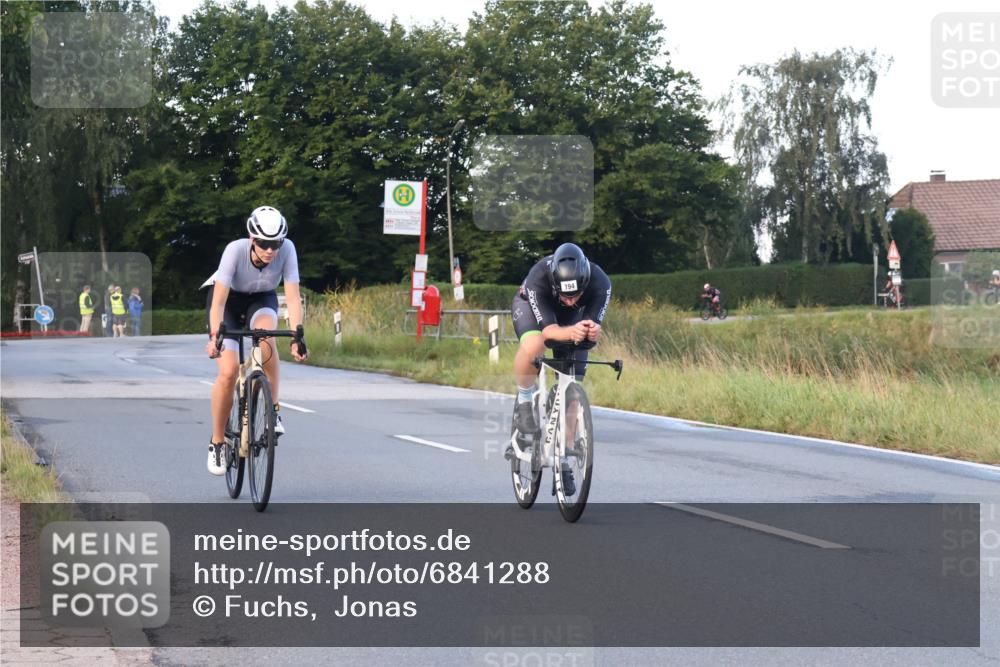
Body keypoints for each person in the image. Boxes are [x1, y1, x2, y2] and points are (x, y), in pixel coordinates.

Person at [203, 205, 307, 476]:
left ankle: (274, 411)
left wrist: (297, 335)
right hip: (229, 302)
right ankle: (216, 442)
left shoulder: (288, 250)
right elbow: (217, 304)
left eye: (275, 243)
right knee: (227, 372)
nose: (271, 250)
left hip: (261, 299)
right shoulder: (234, 251)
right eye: (264, 243)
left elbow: (293, 297)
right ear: (252, 239)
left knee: (267, 340)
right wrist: (215, 337)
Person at [508, 243, 611, 494]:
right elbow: (549, 332)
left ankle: (563, 457)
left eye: (576, 295)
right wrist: (571, 331)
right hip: (534, 313)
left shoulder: (601, 283)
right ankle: (524, 401)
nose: (570, 300)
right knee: (535, 346)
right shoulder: (538, 278)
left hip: (571, 322)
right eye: (565, 295)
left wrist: (593, 330)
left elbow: (591, 330)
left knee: (573, 387)